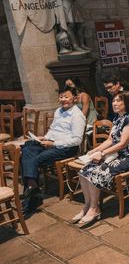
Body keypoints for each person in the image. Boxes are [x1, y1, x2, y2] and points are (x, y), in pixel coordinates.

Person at [20, 85, 86, 215]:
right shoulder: (58, 111)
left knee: (33, 158)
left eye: (66, 96)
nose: (63, 99)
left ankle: (31, 191)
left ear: (74, 98)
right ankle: (33, 188)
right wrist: (44, 138)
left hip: (66, 148)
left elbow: (77, 140)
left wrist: (54, 143)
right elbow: (53, 129)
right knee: (28, 146)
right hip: (50, 143)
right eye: (61, 96)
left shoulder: (77, 115)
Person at [75, 91, 129, 226]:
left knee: (96, 172)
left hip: (126, 158)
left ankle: (94, 208)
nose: (114, 103)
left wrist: (103, 154)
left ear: (126, 103)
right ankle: (87, 206)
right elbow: (110, 140)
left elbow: (122, 144)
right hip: (114, 154)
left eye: (118, 101)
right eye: (114, 100)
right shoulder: (117, 118)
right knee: (84, 170)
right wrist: (95, 150)